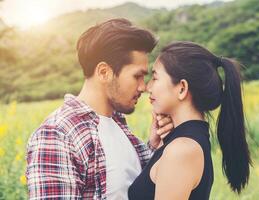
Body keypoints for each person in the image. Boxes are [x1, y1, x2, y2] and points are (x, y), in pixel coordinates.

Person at [26, 18, 173, 199]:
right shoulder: (57, 134)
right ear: (104, 72)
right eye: (137, 76)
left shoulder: (118, 124)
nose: (143, 87)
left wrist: (153, 147)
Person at [128, 41, 252, 200]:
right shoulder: (184, 142)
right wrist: (153, 146)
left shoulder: (181, 150)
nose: (147, 87)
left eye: (155, 77)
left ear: (182, 88)